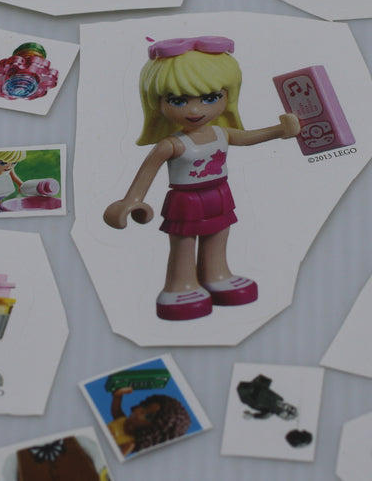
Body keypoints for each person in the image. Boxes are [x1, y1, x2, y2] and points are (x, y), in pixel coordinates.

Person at [104, 36, 299, 320]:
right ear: (157, 102)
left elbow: (248, 137)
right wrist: (132, 200)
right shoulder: (172, 144)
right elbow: (147, 171)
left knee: (219, 234)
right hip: (186, 198)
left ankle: (216, 275)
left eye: (210, 98)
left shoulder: (222, 133)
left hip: (218, 192)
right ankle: (179, 285)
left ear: (228, 96)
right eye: (178, 101)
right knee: (184, 241)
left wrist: (280, 130)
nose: (195, 110)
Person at [107, 386, 192, 457]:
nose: (139, 413)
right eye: (144, 407)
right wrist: (118, 395)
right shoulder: (122, 420)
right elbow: (116, 410)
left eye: (148, 417)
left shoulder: (130, 443)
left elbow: (119, 456)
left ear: (153, 430)